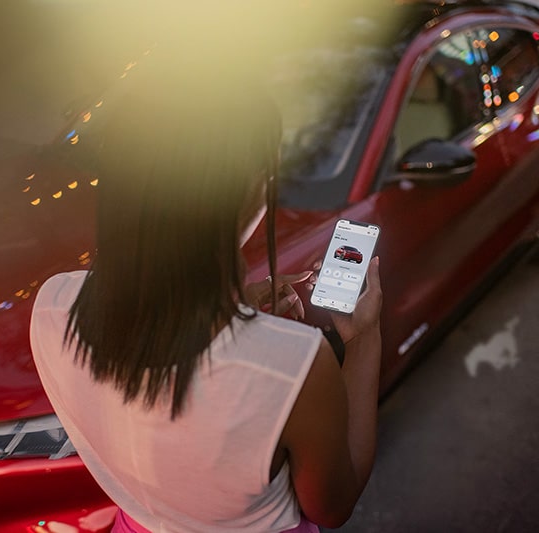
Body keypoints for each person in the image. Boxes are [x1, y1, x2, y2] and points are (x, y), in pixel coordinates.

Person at [29, 55, 382, 532]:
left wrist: (241, 308)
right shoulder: (293, 368)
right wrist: (363, 337)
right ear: (252, 190)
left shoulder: (53, 305)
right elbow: (333, 507)